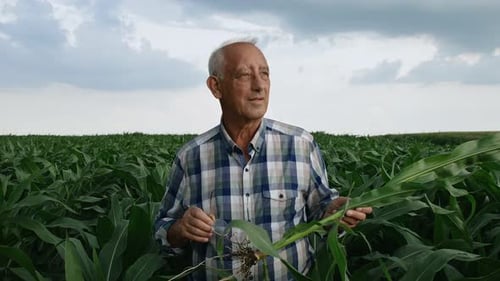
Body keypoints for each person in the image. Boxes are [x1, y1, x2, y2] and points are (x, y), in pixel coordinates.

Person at [154, 38, 373, 280]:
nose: (259, 86)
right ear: (216, 87)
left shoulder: (300, 145)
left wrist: (337, 211)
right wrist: (181, 229)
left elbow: (322, 209)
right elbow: (163, 231)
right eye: (244, 75)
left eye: (265, 74)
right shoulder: (191, 157)